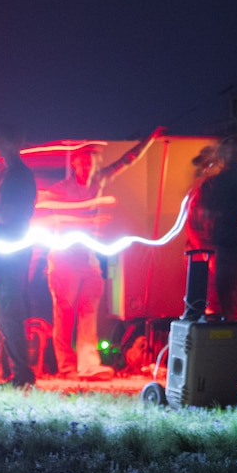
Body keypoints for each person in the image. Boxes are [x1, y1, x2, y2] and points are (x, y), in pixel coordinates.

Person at [42, 128, 160, 379]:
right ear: (74, 164)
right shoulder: (60, 189)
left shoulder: (99, 181)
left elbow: (125, 162)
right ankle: (65, 368)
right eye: (82, 161)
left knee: (88, 312)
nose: (87, 166)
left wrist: (149, 140)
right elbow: (43, 214)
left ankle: (87, 364)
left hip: (89, 258)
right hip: (64, 259)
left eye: (91, 161)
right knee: (64, 315)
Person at [0, 132, 38, 387]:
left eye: (2, 140)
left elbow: (11, 215)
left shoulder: (17, 176)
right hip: (9, 251)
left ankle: (21, 374)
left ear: (14, 143)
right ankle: (12, 372)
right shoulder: (13, 174)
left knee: (9, 312)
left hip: (11, 252)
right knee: (5, 312)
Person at [185, 135, 237, 321]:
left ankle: (223, 335)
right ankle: (224, 335)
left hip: (215, 249)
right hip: (214, 250)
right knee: (222, 299)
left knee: (221, 299)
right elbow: (197, 221)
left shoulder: (211, 185)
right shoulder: (211, 185)